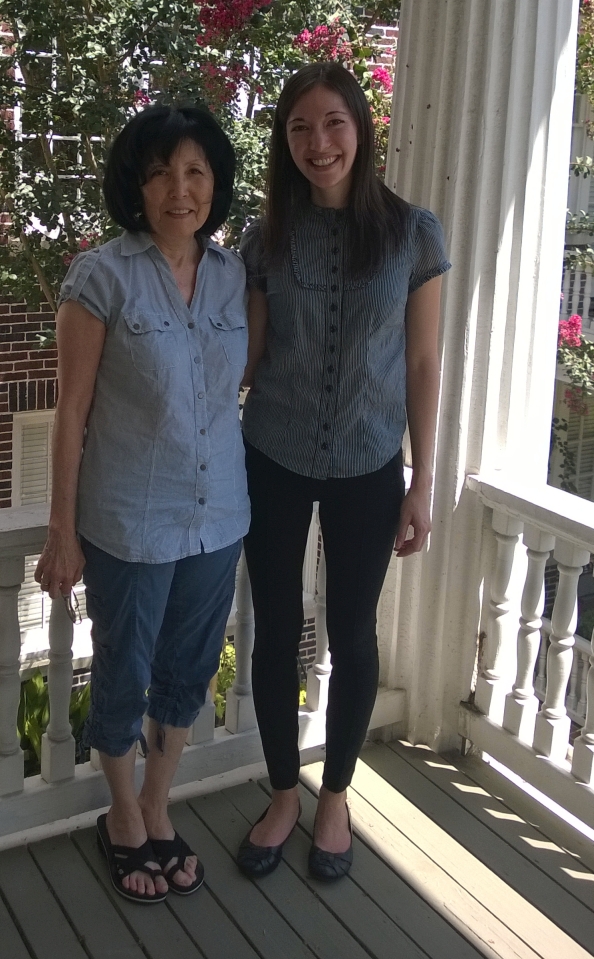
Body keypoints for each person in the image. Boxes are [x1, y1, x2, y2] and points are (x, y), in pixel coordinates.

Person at [236, 62, 451, 882]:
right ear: (284, 142)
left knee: (353, 632)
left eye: (332, 123)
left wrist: (422, 479)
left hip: (369, 463)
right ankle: (282, 792)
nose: (317, 142)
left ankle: (335, 796)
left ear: (360, 128)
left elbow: (423, 362)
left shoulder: (412, 233)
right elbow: (250, 356)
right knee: (275, 628)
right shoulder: (266, 238)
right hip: (274, 454)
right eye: (299, 127)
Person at [35, 105, 249, 903]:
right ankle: (122, 811)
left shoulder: (232, 275)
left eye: (195, 171)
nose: (179, 189)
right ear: (137, 184)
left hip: (218, 516)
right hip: (130, 519)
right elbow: (71, 411)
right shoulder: (102, 275)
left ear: (215, 183)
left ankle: (159, 803)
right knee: (124, 669)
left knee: (189, 668)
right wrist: (62, 529)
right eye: (160, 173)